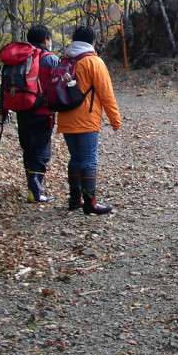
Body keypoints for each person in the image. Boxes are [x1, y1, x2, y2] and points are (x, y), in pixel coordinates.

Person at [57, 25, 122, 214]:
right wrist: (115, 120)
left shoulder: (65, 60)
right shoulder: (94, 62)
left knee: (75, 158)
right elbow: (106, 94)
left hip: (66, 117)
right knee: (89, 159)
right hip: (86, 119)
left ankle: (75, 200)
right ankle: (90, 203)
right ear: (92, 42)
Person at [17, 24, 59, 203]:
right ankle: (35, 191)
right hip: (43, 111)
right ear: (45, 40)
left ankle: (32, 187)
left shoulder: (20, 58)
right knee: (41, 151)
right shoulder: (50, 59)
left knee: (28, 148)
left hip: (21, 108)